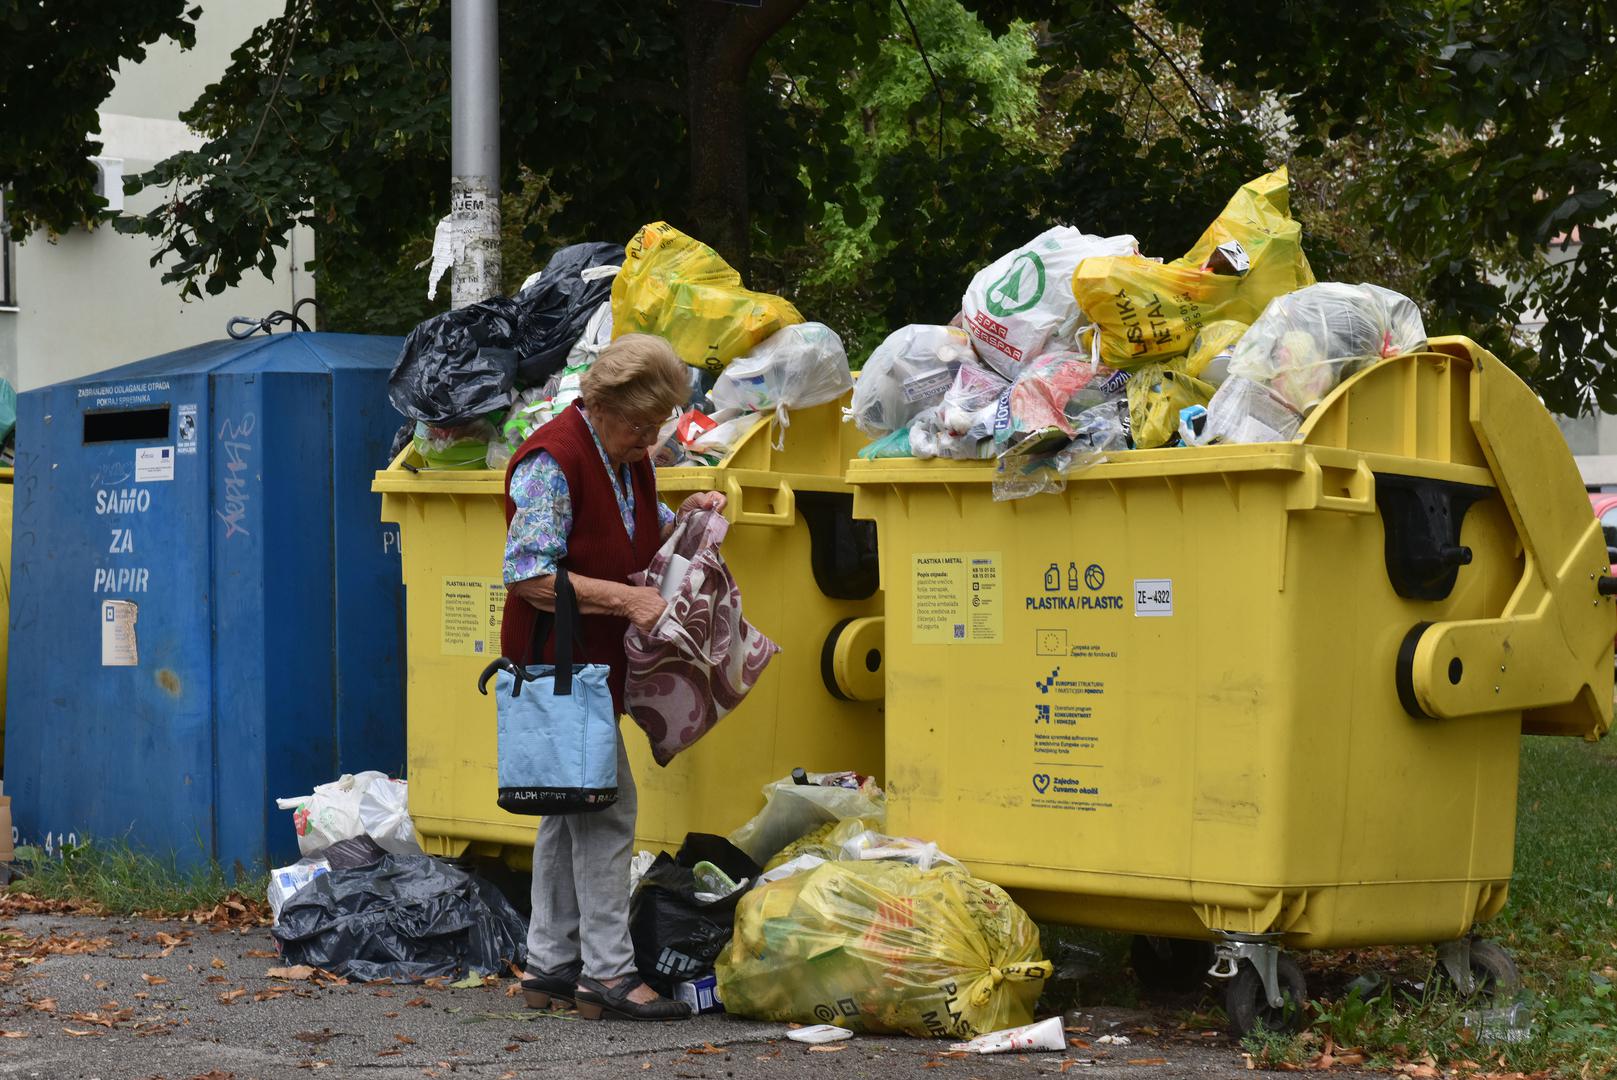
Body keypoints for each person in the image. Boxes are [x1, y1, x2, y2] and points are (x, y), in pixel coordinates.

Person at [500, 333, 724, 1021]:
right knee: (607, 807)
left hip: (591, 667)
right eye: (639, 424)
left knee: (567, 808)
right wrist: (628, 600)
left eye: (657, 426)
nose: (648, 438)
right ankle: (608, 974)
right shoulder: (550, 461)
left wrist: (682, 521)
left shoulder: (623, 457)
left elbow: (631, 531)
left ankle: (548, 966)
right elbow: (530, 574)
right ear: (598, 403)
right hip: (556, 666)